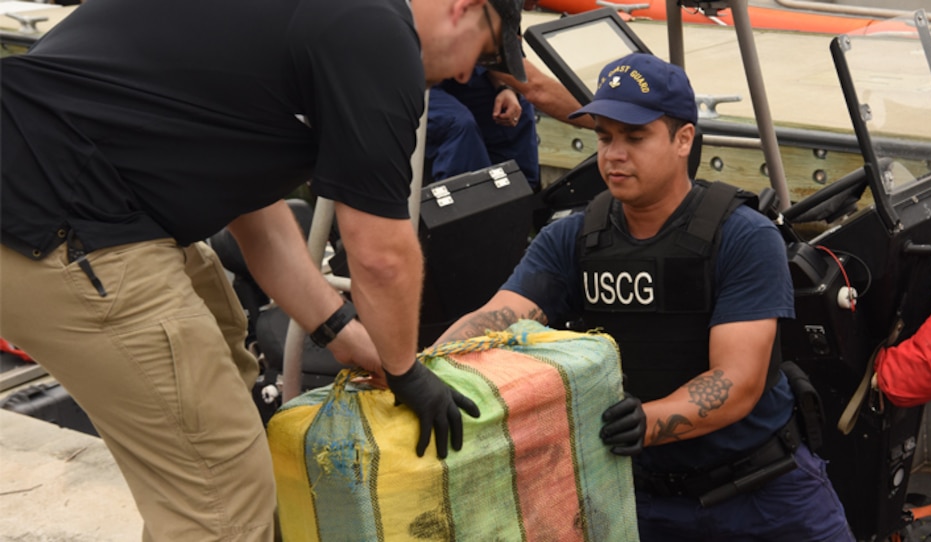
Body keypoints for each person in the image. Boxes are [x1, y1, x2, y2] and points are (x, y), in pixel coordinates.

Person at [0, 0, 525, 538]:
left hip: (68, 196)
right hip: (60, 221)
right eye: (481, 56)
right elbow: (381, 256)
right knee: (223, 500)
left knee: (226, 357)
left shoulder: (313, 22)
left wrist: (341, 332)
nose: (466, 76)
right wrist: (404, 369)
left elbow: (256, 215)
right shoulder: (379, 28)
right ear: (465, 6)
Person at [434, 52, 854, 541]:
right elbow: (497, 317)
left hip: (762, 496)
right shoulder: (571, 239)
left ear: (683, 140)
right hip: (637, 500)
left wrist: (647, 422)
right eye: (604, 137)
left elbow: (736, 381)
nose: (613, 154)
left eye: (635, 137)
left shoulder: (744, 238)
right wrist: (420, 372)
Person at [426, 60, 592, 190]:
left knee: (517, 106)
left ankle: (517, 205)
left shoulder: (501, 20)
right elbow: (537, 89)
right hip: (409, 69)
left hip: (453, 60)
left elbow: (500, 57)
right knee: (457, 125)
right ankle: (468, 213)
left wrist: (504, 87)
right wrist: (606, 121)